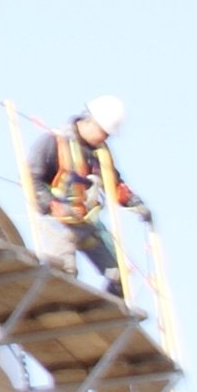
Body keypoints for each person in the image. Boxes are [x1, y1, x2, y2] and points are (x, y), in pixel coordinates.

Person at [26, 98, 147, 288]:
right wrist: (52, 204)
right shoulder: (54, 142)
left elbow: (113, 183)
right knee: (64, 276)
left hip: (86, 224)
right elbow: (30, 180)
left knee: (119, 277)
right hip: (57, 225)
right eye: (103, 132)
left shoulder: (99, 153)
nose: (105, 138)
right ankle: (63, 313)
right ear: (89, 121)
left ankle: (106, 315)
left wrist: (133, 201)